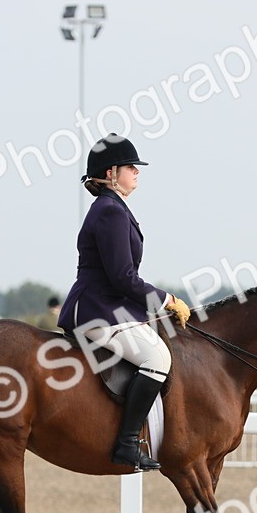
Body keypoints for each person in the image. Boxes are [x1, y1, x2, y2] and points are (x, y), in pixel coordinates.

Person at [58, 134, 191, 471]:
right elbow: (122, 278)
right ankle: (127, 443)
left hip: (111, 307)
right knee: (157, 357)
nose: (137, 172)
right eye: (132, 167)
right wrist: (166, 300)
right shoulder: (109, 212)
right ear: (112, 171)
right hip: (97, 310)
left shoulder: (114, 208)